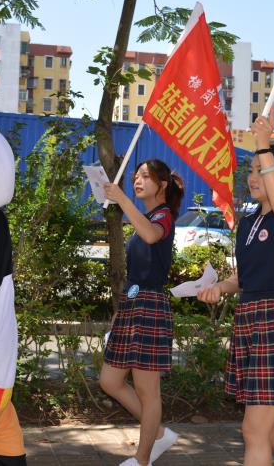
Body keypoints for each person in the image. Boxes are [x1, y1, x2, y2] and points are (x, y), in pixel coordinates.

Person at [198, 114, 274, 466]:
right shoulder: (249, 222)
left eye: (261, 169)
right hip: (250, 320)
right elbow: (243, 279)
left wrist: (263, 144)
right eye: (250, 169)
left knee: (254, 430)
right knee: (271, 430)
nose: (253, 177)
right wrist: (219, 287)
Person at [99, 159, 184, 466]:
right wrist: (119, 313)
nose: (138, 180)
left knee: (149, 392)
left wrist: (121, 199)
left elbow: (151, 235)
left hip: (150, 306)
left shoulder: (163, 215)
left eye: (145, 176)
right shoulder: (147, 216)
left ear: (162, 185)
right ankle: (158, 432)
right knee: (110, 381)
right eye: (136, 176)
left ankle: (142, 459)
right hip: (133, 304)